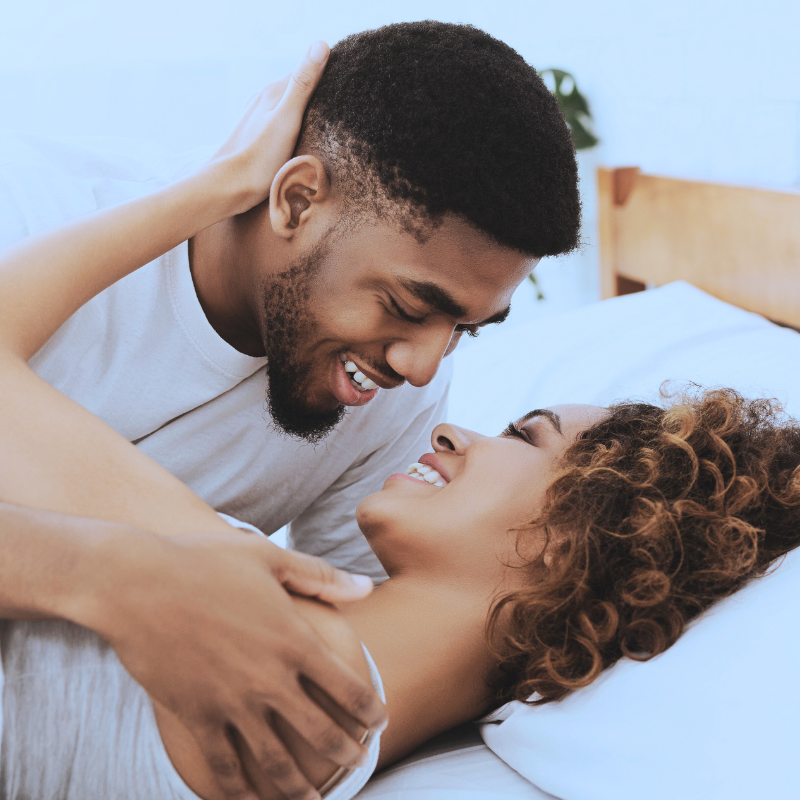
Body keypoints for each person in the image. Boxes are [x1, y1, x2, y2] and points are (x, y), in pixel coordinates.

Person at [0, 21, 580, 798]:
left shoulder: (389, 407)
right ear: (297, 199)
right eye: (409, 304)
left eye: (465, 330)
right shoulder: (31, 214)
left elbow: (320, 626)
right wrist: (112, 575)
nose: (422, 367)